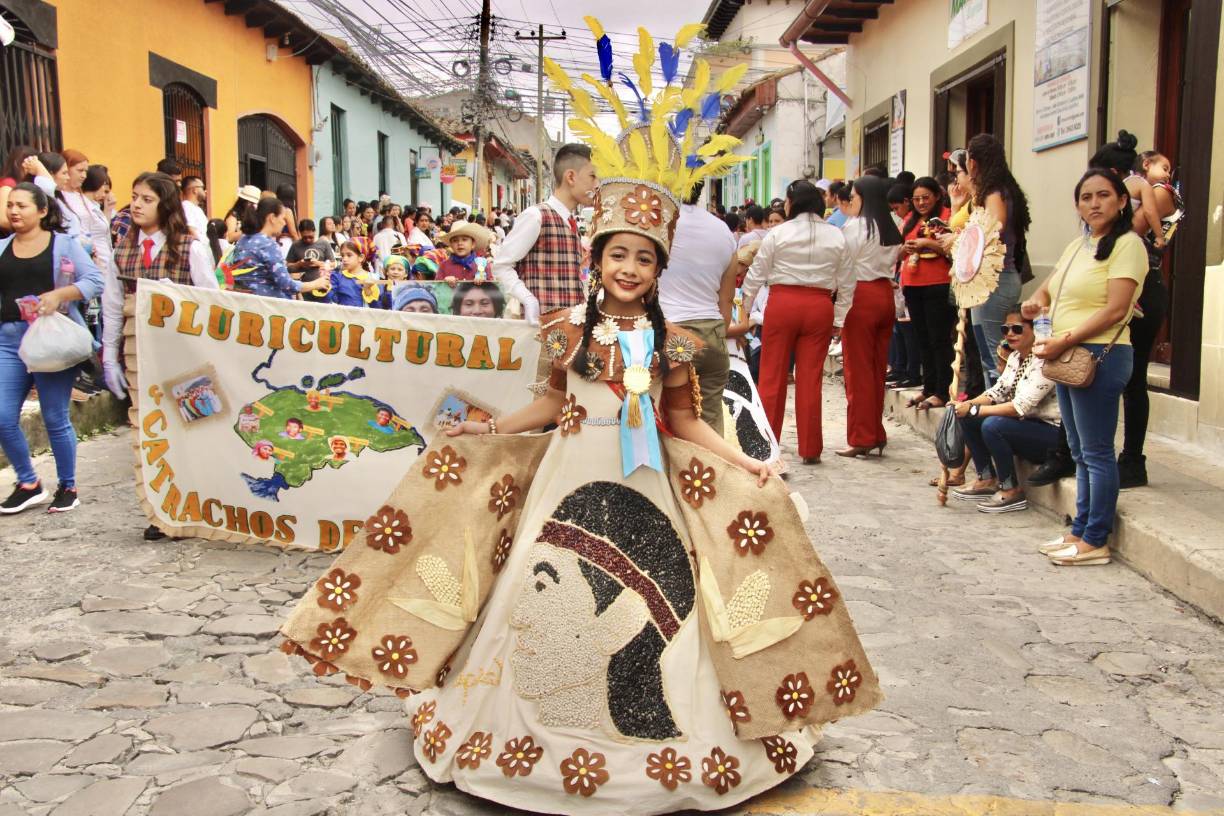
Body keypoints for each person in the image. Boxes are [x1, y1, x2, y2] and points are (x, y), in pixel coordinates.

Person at [279, 72, 878, 812]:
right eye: (617, 255)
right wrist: (489, 429)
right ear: (596, 261)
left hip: (647, 485)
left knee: (657, 601)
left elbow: (685, 424)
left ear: (658, 271)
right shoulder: (565, 331)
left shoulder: (674, 346)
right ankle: (514, 735)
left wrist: (746, 459)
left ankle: (661, 731)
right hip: (568, 475)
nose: (629, 269)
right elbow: (550, 402)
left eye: (644, 259)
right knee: (537, 584)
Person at [1024, 169, 1145, 567]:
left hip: (1097, 355)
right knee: (1077, 448)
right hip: (1064, 353)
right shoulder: (1078, 246)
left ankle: (1096, 538)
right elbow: (1048, 288)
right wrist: (1035, 303)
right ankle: (1080, 529)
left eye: (1103, 195)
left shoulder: (1128, 245)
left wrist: (1067, 338)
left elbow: (1116, 308)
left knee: (1095, 451)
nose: (1094, 204)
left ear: (1122, 201)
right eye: (1086, 197)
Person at [0, 183, 104, 514]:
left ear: (42, 211)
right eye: (10, 205)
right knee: (2, 415)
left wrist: (60, 295)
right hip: (9, 340)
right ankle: (28, 482)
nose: (14, 211)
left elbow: (94, 280)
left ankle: (68, 486)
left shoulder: (64, 245)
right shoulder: (2, 247)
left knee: (54, 416)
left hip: (52, 341)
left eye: (22, 206)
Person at [742, 180, 851, 464]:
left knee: (772, 377)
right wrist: (839, 317)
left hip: (783, 304)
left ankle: (766, 445)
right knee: (810, 379)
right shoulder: (837, 235)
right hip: (819, 306)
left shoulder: (778, 233)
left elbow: (756, 273)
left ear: (792, 202)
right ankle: (810, 449)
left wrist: (745, 308)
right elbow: (848, 282)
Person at [948, 307, 1060, 513]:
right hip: (1026, 426)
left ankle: (1011, 489)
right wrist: (967, 405)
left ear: (1034, 330)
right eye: (1005, 329)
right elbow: (997, 391)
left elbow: (1020, 407)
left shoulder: (1045, 359)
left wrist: (974, 410)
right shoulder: (1016, 357)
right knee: (969, 417)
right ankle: (986, 478)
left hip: (1051, 434)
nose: (1009, 334)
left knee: (992, 424)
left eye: (1017, 329)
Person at [658, 180, 738, 436]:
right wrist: (717, 336)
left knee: (663, 422)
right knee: (710, 424)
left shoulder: (657, 221)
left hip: (667, 332)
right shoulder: (722, 229)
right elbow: (726, 299)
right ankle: (713, 474)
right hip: (712, 332)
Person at [493, 143, 597, 325]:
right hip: (541, 328)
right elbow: (501, 265)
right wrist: (528, 300)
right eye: (592, 176)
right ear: (571, 176)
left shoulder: (569, 221)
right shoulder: (536, 216)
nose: (596, 185)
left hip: (568, 329)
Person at [838, 176, 903, 458]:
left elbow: (842, 265)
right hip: (884, 294)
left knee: (858, 370)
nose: (851, 200)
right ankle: (875, 432)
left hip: (861, 296)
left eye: (853, 195)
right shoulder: (893, 225)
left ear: (863, 196)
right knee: (877, 369)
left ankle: (862, 436)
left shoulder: (855, 227)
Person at [966, 134, 1030, 387]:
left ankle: (998, 415)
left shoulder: (994, 193)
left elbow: (995, 225)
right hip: (995, 282)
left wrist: (963, 241)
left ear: (973, 162)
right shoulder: (1000, 190)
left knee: (995, 356)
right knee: (989, 354)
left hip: (996, 281)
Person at [899, 177, 955, 409]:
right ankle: (928, 387)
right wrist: (907, 248)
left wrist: (927, 244)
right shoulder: (910, 221)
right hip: (912, 284)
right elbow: (900, 250)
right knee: (922, 338)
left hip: (939, 283)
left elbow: (954, 247)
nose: (921, 203)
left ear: (937, 196)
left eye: (926, 198)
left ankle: (943, 390)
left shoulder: (948, 215)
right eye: (917, 199)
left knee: (939, 338)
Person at [229, 198, 329, 300]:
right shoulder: (268, 245)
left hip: (243, 302)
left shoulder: (243, 240)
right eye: (282, 218)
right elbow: (286, 285)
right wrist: (316, 284)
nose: (284, 223)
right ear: (272, 218)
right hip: (268, 305)